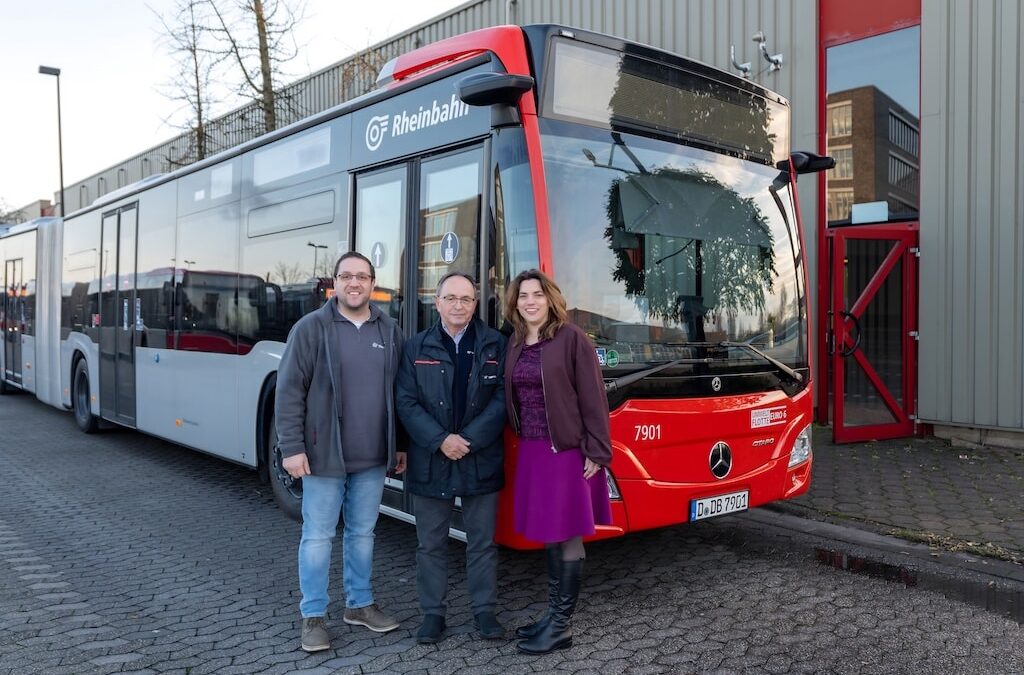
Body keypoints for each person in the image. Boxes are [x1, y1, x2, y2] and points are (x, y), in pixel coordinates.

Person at [275, 251, 407, 653]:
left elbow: (401, 394)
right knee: (317, 536)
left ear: (373, 283)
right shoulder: (311, 328)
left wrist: (398, 446)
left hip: (371, 459)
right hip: (322, 457)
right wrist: (292, 448)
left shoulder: (389, 330)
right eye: (346, 276)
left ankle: (359, 605)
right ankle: (313, 616)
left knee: (363, 534)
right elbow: (288, 392)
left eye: (362, 277)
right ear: (335, 282)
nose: (354, 283)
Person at [503, 269, 612, 655]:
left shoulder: (571, 338)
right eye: (523, 295)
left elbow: (593, 396)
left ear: (550, 299)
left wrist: (598, 451)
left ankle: (562, 626)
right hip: (533, 450)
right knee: (551, 533)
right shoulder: (517, 341)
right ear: (515, 302)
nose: (530, 301)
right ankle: (553, 616)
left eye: (537, 294)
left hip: (565, 451)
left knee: (567, 536)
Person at [397, 272, 508, 644]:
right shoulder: (415, 347)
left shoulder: (496, 345)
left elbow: (502, 401)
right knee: (430, 544)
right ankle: (432, 614)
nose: (458, 305)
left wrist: (470, 441)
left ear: (476, 304)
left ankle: (485, 611)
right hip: (433, 458)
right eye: (451, 298)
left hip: (481, 457)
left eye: (466, 299)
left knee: (482, 543)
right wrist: (440, 440)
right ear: (437, 302)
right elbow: (405, 402)